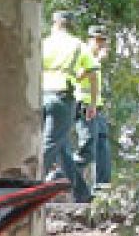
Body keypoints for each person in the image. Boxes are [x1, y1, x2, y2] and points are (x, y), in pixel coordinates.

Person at [41, 11, 98, 202]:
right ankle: (27, 186)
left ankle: (82, 195)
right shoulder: (78, 45)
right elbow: (92, 74)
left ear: (54, 24)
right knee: (49, 145)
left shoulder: (43, 43)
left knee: (62, 149)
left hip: (40, 97)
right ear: (71, 25)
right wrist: (91, 103)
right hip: (62, 98)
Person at [76, 25, 112, 189]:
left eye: (103, 41)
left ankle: (102, 187)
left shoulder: (95, 58)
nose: (101, 45)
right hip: (83, 105)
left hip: (96, 107)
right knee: (88, 146)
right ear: (90, 40)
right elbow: (78, 75)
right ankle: (62, 177)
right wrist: (97, 61)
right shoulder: (83, 53)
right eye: (98, 41)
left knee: (102, 146)